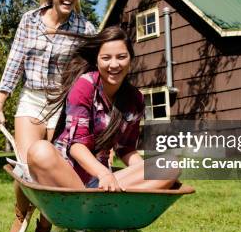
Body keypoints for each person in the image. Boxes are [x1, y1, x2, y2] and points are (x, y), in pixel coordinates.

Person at [0, 0, 96, 232]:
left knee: (54, 164)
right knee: (25, 168)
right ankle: (20, 217)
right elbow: (14, 62)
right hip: (32, 99)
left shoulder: (85, 28)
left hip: (64, 103)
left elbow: (93, 71)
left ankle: (46, 222)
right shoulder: (30, 20)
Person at [27, 26, 179, 191]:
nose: (114, 64)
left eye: (121, 57)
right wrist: (104, 174)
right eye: (106, 58)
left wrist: (150, 173)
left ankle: (91, 204)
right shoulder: (84, 86)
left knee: (170, 166)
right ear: (96, 60)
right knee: (39, 150)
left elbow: (126, 148)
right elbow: (77, 146)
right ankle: (87, 204)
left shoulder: (136, 99)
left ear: (131, 59)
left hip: (99, 182)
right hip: (66, 172)